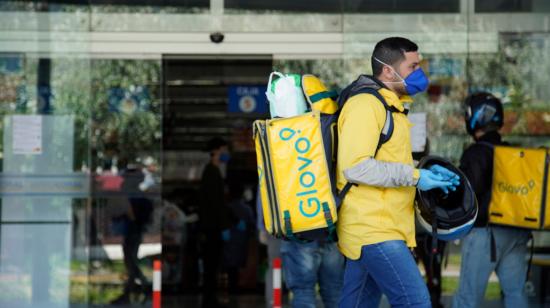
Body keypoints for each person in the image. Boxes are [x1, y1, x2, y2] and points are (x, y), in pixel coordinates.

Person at [336, 37, 460, 307]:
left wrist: (424, 171)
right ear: (388, 70)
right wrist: (417, 177)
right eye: (412, 66)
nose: (420, 73)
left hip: (382, 226)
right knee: (415, 302)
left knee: (357, 303)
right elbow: (356, 166)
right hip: (374, 229)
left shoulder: (392, 106)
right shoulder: (365, 106)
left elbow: (386, 163)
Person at [452, 92, 531, 308]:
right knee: (516, 295)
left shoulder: (476, 153)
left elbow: (469, 192)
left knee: (467, 298)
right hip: (516, 232)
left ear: (476, 117)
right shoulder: (512, 150)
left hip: (485, 234)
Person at [198, 137, 232, 308]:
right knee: (211, 265)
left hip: (213, 227)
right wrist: (223, 227)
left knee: (213, 265)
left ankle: (210, 299)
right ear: (217, 151)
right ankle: (209, 300)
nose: (227, 153)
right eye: (224, 150)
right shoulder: (211, 172)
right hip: (212, 228)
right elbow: (214, 203)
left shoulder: (215, 171)